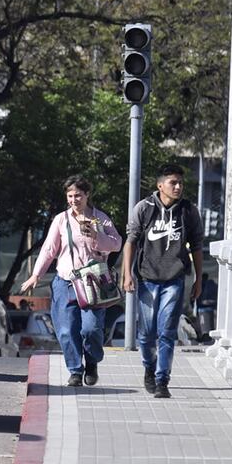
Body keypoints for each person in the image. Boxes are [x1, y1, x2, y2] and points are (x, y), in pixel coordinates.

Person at [20, 176, 123, 387]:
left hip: (93, 283)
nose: (74, 200)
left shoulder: (100, 219)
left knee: (91, 329)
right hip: (65, 282)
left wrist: (96, 234)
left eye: (78, 195)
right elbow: (49, 250)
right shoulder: (61, 220)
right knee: (66, 330)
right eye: (70, 196)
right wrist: (35, 275)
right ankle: (75, 370)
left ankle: (92, 361)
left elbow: (116, 244)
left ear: (87, 195)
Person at [122, 164, 204, 399]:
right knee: (146, 334)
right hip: (147, 279)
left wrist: (197, 279)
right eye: (173, 183)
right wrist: (127, 274)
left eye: (180, 183)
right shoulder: (144, 208)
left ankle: (162, 380)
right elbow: (131, 241)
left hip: (175, 279)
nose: (178, 187)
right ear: (160, 185)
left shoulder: (188, 211)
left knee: (167, 332)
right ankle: (149, 366)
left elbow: (197, 246)